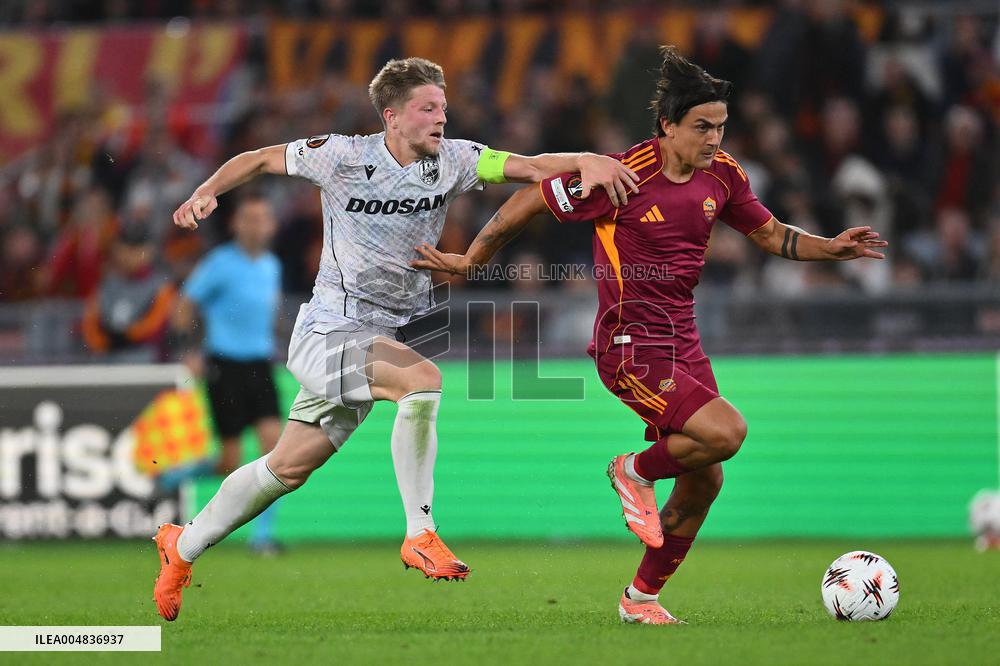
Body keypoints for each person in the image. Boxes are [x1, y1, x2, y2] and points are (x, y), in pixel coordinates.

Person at [411, 47, 888, 625]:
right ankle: (631, 470)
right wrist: (471, 258)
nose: (714, 138)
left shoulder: (725, 175)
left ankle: (640, 600)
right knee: (727, 431)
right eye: (701, 127)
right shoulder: (623, 173)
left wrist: (829, 248)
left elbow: (771, 235)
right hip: (627, 343)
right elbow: (528, 200)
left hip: (683, 342)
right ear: (667, 126)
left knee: (705, 479)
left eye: (721, 126)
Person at [152, 56, 639, 621]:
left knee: (285, 468)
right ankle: (420, 532)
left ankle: (180, 548)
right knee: (422, 381)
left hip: (379, 335)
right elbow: (260, 158)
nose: (440, 118)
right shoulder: (343, 155)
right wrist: (206, 191)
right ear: (393, 117)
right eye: (427, 108)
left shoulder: (455, 159)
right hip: (328, 331)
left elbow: (530, 168)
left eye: (444, 108)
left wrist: (585, 160)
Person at [170, 193, 284, 555]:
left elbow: (270, 315)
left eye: (263, 217)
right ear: (236, 224)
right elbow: (184, 306)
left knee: (275, 452)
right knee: (229, 461)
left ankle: (263, 538)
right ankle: (172, 478)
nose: (257, 224)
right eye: (250, 217)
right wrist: (189, 350)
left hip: (261, 365)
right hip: (225, 366)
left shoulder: (271, 265)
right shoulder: (219, 263)